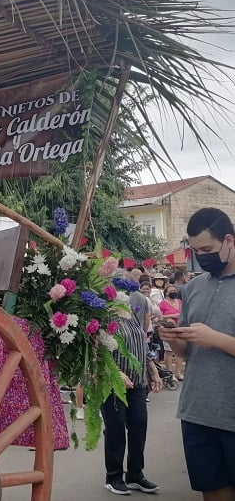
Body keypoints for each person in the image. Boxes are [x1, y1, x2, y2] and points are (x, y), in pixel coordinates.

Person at [159, 207, 235, 501]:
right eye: (195, 250)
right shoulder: (192, 287)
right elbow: (188, 352)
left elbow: (209, 340)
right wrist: (173, 338)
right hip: (197, 411)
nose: (201, 256)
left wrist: (215, 339)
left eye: (207, 249)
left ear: (229, 240)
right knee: (212, 491)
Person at [101, 295, 162, 496]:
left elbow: (142, 345)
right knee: (116, 427)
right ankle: (114, 476)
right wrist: (115, 372)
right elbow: (97, 350)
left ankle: (135, 474)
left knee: (139, 424)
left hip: (137, 382)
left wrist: (153, 370)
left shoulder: (131, 315)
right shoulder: (103, 316)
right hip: (113, 383)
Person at [159, 283, 184, 381]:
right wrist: (174, 315)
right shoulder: (162, 303)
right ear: (166, 293)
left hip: (180, 328)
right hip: (168, 329)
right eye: (171, 291)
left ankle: (178, 373)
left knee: (179, 352)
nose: (173, 292)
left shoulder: (180, 302)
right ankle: (169, 373)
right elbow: (160, 316)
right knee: (169, 351)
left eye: (174, 291)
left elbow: (184, 313)